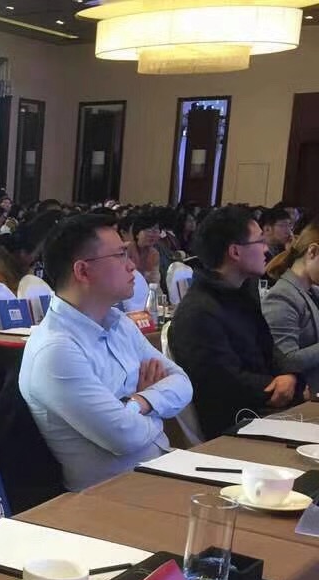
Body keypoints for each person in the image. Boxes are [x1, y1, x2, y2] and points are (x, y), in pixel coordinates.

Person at [19, 215, 192, 491]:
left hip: (161, 471)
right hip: (113, 496)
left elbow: (183, 384)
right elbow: (124, 437)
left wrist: (137, 402)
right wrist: (157, 411)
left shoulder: (119, 322)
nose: (131, 265)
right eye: (120, 255)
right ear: (83, 271)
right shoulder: (56, 350)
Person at [168, 206, 303, 439]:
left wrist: (289, 375)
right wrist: (278, 385)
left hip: (266, 410)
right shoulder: (198, 312)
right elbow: (224, 382)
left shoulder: (242, 291)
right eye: (260, 241)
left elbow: (269, 348)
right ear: (235, 251)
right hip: (236, 424)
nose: (266, 249)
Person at [262, 223, 319, 393]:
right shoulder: (281, 297)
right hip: (305, 394)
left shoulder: (312, 291)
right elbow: (286, 361)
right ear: (312, 252)